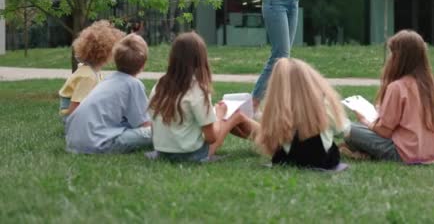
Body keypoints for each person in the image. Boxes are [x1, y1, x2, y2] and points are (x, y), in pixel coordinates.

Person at [148, 32, 256, 163]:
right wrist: (220, 116)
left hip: (162, 152)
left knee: (232, 118)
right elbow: (211, 137)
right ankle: (274, 140)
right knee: (236, 115)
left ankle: (267, 141)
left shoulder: (159, 86)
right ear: (201, 59)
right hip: (191, 155)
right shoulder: (197, 89)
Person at [343, 30, 434, 164]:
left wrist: (366, 121)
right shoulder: (431, 85)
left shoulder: (397, 87)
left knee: (351, 129)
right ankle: (360, 152)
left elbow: (385, 132)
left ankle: (359, 151)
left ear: (399, 57)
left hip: (406, 153)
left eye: (392, 54)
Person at [254, 58, 350, 170]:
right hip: (322, 161)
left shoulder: (275, 110)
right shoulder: (324, 105)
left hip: (286, 159)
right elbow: (343, 131)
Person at [65, 34, 152, 154]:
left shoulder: (107, 80)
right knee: (153, 132)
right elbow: (144, 124)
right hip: (99, 143)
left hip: (74, 142)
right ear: (143, 65)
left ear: (115, 59)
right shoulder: (133, 84)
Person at [58, 20, 125, 118]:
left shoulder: (93, 72)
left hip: (86, 115)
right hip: (76, 120)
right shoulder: (87, 76)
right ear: (105, 53)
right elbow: (74, 110)